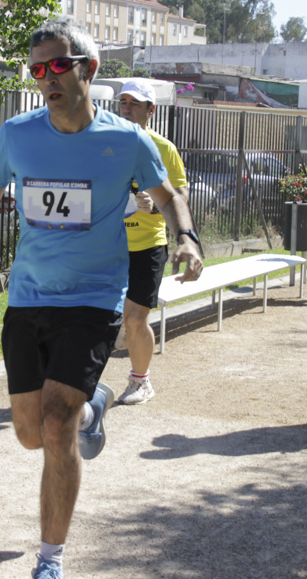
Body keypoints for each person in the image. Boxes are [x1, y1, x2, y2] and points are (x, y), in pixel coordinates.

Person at [0, 17, 204, 579]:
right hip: (27, 298)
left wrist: (186, 238)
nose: (46, 78)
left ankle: (50, 559)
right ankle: (97, 407)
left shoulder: (126, 139)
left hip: (94, 299)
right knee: (29, 434)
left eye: (57, 66)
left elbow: (167, 196)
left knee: (55, 422)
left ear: (88, 70)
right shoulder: (18, 134)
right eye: (38, 69)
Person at [116, 80, 198, 405]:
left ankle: (140, 382)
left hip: (147, 245)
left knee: (135, 319)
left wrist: (155, 204)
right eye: (123, 102)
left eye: (135, 103)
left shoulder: (164, 148)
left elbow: (180, 197)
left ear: (151, 110)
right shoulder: (102, 145)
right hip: (107, 246)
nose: (127, 108)